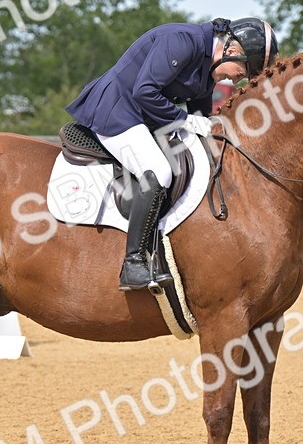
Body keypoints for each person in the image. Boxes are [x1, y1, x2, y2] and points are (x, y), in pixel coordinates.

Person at [66, 17, 279, 291]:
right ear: (232, 49)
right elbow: (145, 91)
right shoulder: (182, 41)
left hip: (145, 118)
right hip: (116, 110)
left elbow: (200, 111)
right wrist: (185, 121)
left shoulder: (208, 63)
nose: (237, 80)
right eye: (241, 72)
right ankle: (133, 263)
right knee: (159, 170)